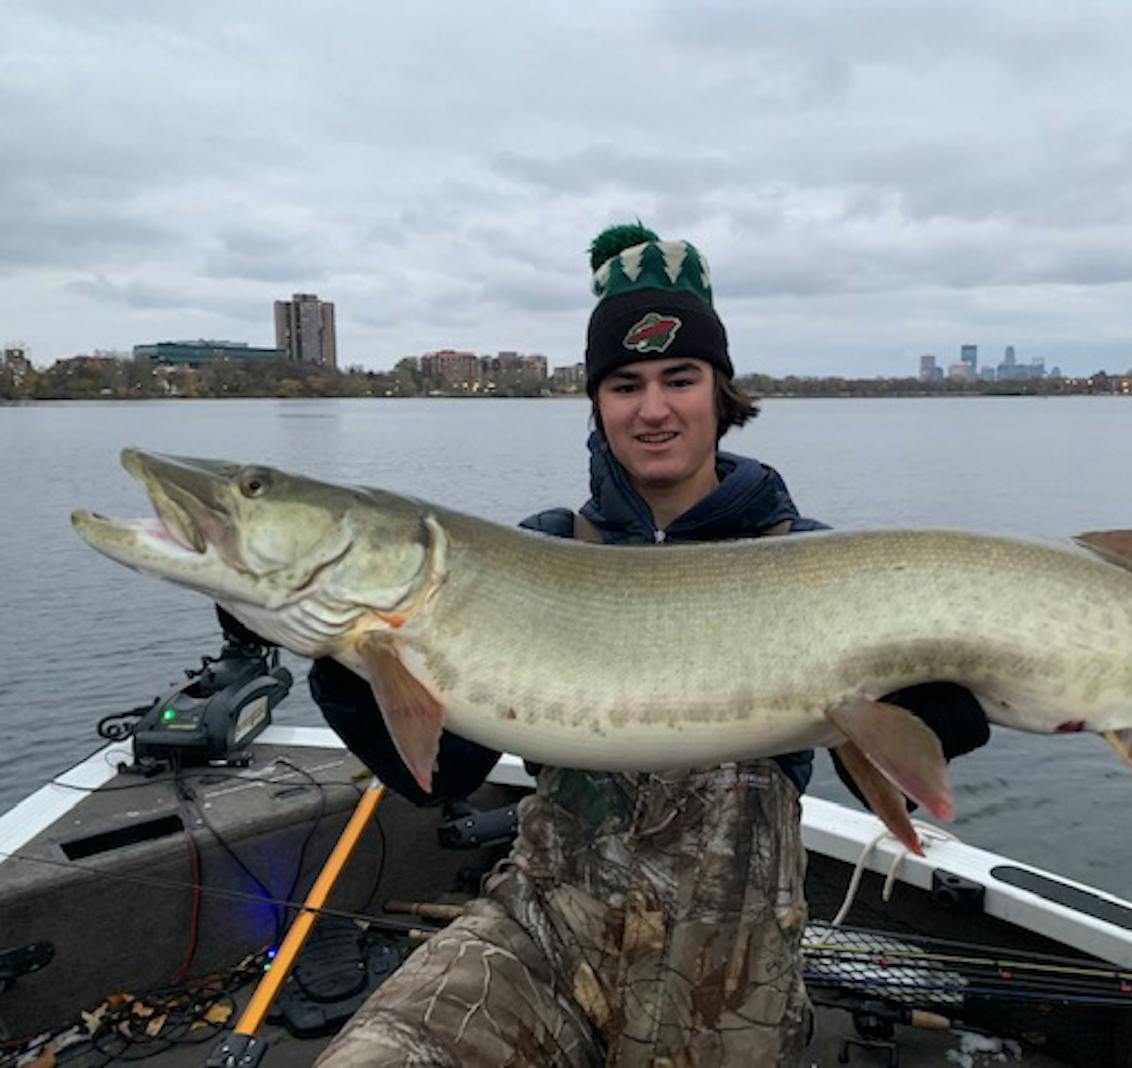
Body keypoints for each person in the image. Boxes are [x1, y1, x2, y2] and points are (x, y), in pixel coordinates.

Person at [219, 223, 991, 1066]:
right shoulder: (540, 548)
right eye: (624, 384)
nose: (653, 409)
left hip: (729, 974)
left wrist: (944, 714)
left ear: (720, 393)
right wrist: (341, 657)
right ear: (596, 401)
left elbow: (886, 781)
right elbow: (440, 777)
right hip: (546, 928)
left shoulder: (808, 555)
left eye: (679, 378)